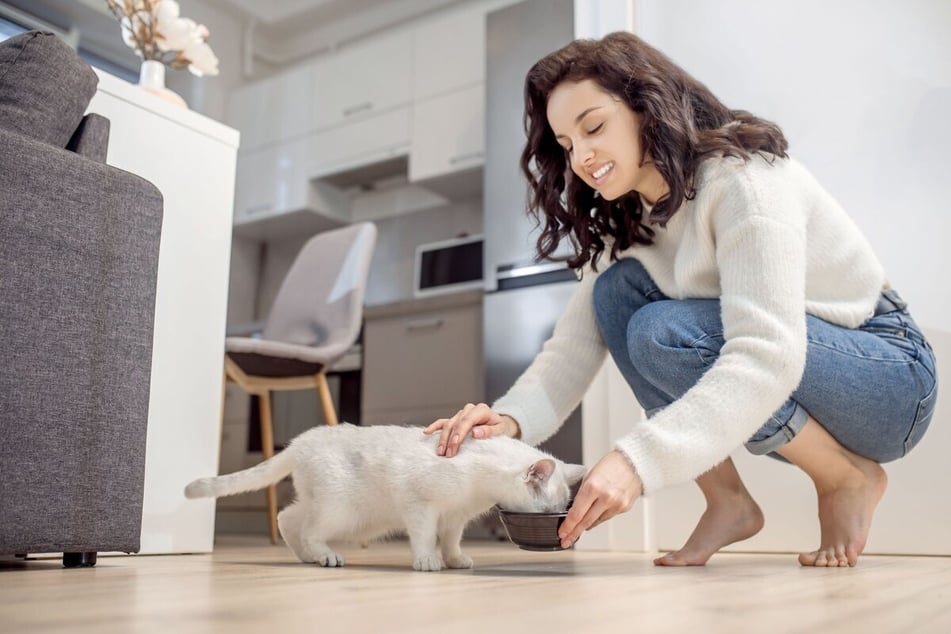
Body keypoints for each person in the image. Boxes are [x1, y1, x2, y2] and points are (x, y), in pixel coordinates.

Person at [423, 31, 938, 568]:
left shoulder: (745, 182)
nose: (581, 156)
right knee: (617, 295)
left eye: (594, 127)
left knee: (662, 329)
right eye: (567, 144)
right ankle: (728, 501)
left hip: (889, 378)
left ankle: (844, 478)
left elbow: (768, 354)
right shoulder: (625, 222)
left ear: (647, 108)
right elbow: (568, 353)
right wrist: (505, 421)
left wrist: (637, 462)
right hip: (805, 381)